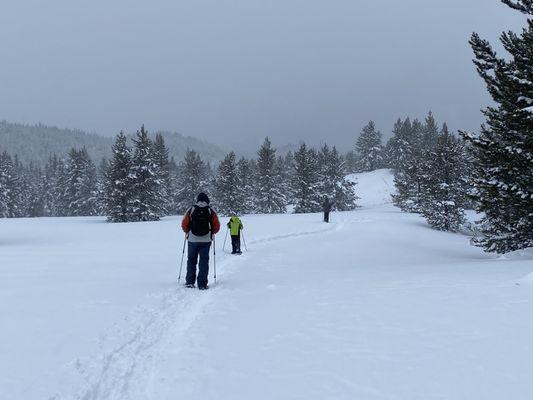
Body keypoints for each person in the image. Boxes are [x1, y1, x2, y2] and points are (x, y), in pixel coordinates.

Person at [181, 192, 220, 290]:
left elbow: (184, 224)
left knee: (191, 260)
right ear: (207, 201)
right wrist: (212, 233)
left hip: (192, 240)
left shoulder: (191, 209)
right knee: (204, 261)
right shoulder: (211, 210)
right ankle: (202, 284)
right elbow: (216, 226)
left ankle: (190, 282)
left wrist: (187, 232)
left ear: (197, 200)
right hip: (206, 240)